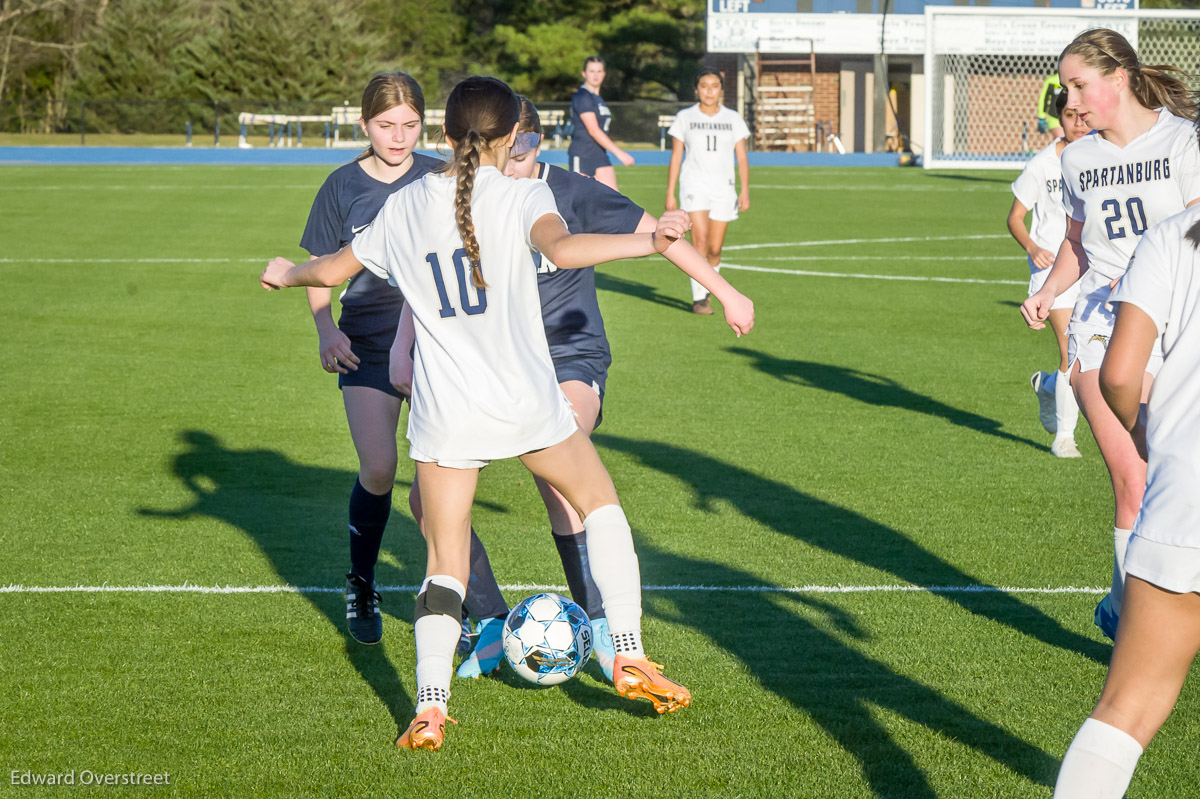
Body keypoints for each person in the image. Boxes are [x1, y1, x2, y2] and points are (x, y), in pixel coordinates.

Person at [262, 76, 729, 751]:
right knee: (600, 506)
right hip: (526, 403)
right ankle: (626, 648)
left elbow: (331, 271)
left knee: (442, 561)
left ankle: (429, 705)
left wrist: (287, 271)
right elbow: (565, 250)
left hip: (447, 414)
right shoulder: (524, 192)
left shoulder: (402, 206)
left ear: (442, 136)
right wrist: (652, 242)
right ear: (513, 137)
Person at [430, 95, 755, 682]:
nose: (516, 161)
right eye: (510, 149)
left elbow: (660, 234)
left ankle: (605, 633)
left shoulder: (571, 193)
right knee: (426, 505)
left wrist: (725, 291)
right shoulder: (466, 196)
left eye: (527, 150)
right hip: (493, 364)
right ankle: (490, 624)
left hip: (568, 357)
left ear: (536, 143)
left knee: (562, 475)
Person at [1019, 28, 1200, 642]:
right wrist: (1047, 293)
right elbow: (1076, 244)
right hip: (1102, 319)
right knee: (1134, 477)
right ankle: (1135, 630)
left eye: (1079, 84)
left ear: (1118, 78)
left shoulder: (1181, 142)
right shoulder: (1076, 158)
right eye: (1065, 86)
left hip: (1173, 317)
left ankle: (1132, 601)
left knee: (1173, 473)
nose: (1071, 99)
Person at [1052, 193, 1200, 799]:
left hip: (1186, 494)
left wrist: (1146, 431)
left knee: (1124, 712)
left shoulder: (1172, 235)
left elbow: (1118, 374)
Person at [297, 72, 442, 646]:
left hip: (437, 343)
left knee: (437, 478)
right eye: (386, 125)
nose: (399, 136)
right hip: (367, 342)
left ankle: (445, 595)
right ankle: (362, 582)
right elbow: (318, 267)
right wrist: (325, 329)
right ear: (364, 125)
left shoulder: (440, 176)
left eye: (410, 125)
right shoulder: (341, 185)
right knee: (380, 468)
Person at [1007, 91, 1090, 458]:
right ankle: (1064, 437)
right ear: (1060, 118)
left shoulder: (1097, 158)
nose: (1078, 122)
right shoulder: (1042, 165)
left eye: (1082, 115)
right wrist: (1032, 248)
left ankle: (1047, 385)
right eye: (1070, 115)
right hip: (1050, 273)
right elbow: (1014, 218)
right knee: (1069, 349)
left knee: (1089, 353)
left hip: (1087, 266)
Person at [664, 69, 751, 315]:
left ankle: (710, 285)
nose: (709, 91)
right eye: (704, 86)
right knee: (699, 241)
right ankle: (699, 297)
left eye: (714, 86)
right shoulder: (684, 117)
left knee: (715, 248)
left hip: (724, 189)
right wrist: (670, 191)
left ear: (721, 90)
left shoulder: (733, 119)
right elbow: (677, 156)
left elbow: (742, 157)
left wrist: (744, 190)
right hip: (694, 186)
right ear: (696, 90)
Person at [567, 56, 633, 190]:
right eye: (591, 71)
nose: (595, 75)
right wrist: (619, 153)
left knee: (614, 201)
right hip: (583, 153)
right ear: (584, 73)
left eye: (599, 71)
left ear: (604, 74)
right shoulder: (582, 96)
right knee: (582, 202)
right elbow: (593, 130)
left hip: (599, 154)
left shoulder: (597, 98)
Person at [1038, 72, 1065, 139]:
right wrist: (1042, 117)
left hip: (1070, 117)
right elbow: (1043, 98)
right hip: (1054, 117)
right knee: (1062, 139)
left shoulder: (1072, 80)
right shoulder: (1051, 81)